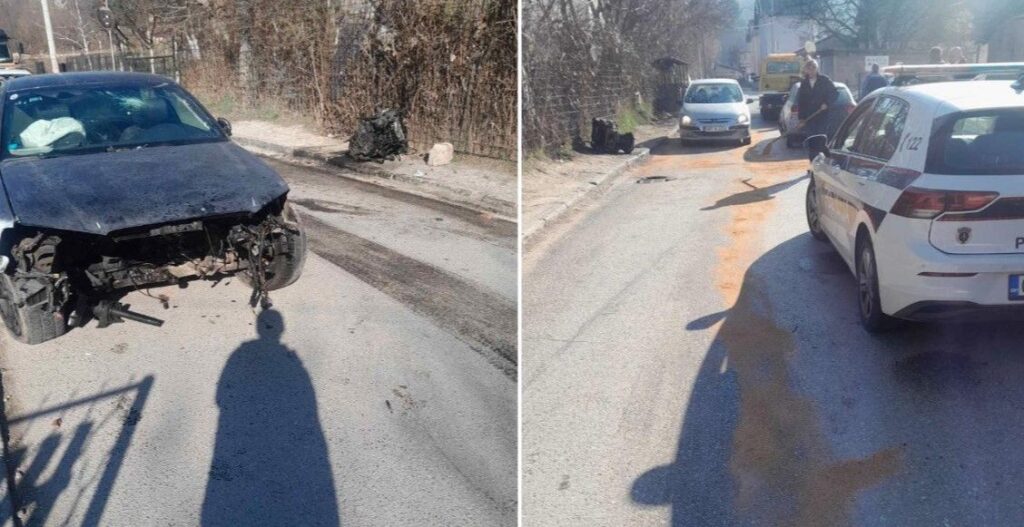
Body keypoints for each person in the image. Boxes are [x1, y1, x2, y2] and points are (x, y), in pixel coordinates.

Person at [796, 59, 837, 161]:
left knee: (821, 140)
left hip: (822, 116)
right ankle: (813, 165)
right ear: (806, 70)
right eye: (809, 68)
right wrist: (801, 119)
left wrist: (826, 103)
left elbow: (834, 93)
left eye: (814, 68)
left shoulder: (824, 80)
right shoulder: (804, 84)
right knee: (812, 141)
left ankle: (828, 160)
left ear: (817, 68)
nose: (812, 70)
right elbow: (801, 102)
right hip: (809, 118)